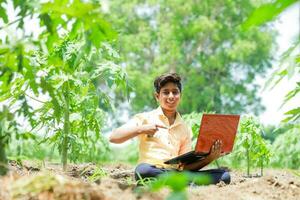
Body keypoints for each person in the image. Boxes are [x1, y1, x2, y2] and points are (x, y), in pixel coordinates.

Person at [109, 72, 230, 184]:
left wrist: (209, 158)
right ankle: (184, 183)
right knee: (143, 170)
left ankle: (177, 182)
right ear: (157, 96)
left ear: (180, 95)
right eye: (166, 92)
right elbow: (114, 137)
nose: (171, 96)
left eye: (175, 92)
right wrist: (142, 129)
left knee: (224, 176)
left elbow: (184, 167)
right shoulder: (144, 118)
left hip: (176, 173)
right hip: (152, 170)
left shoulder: (184, 127)